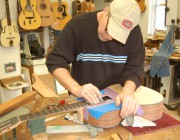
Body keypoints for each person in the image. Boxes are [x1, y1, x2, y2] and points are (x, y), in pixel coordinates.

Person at [46, 0, 145, 118]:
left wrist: (128, 92)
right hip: (82, 102)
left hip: (116, 103)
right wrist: (77, 89)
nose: (110, 37)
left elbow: (135, 68)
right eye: (110, 30)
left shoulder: (133, 31)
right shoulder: (77, 25)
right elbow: (56, 61)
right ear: (106, 11)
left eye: (119, 35)